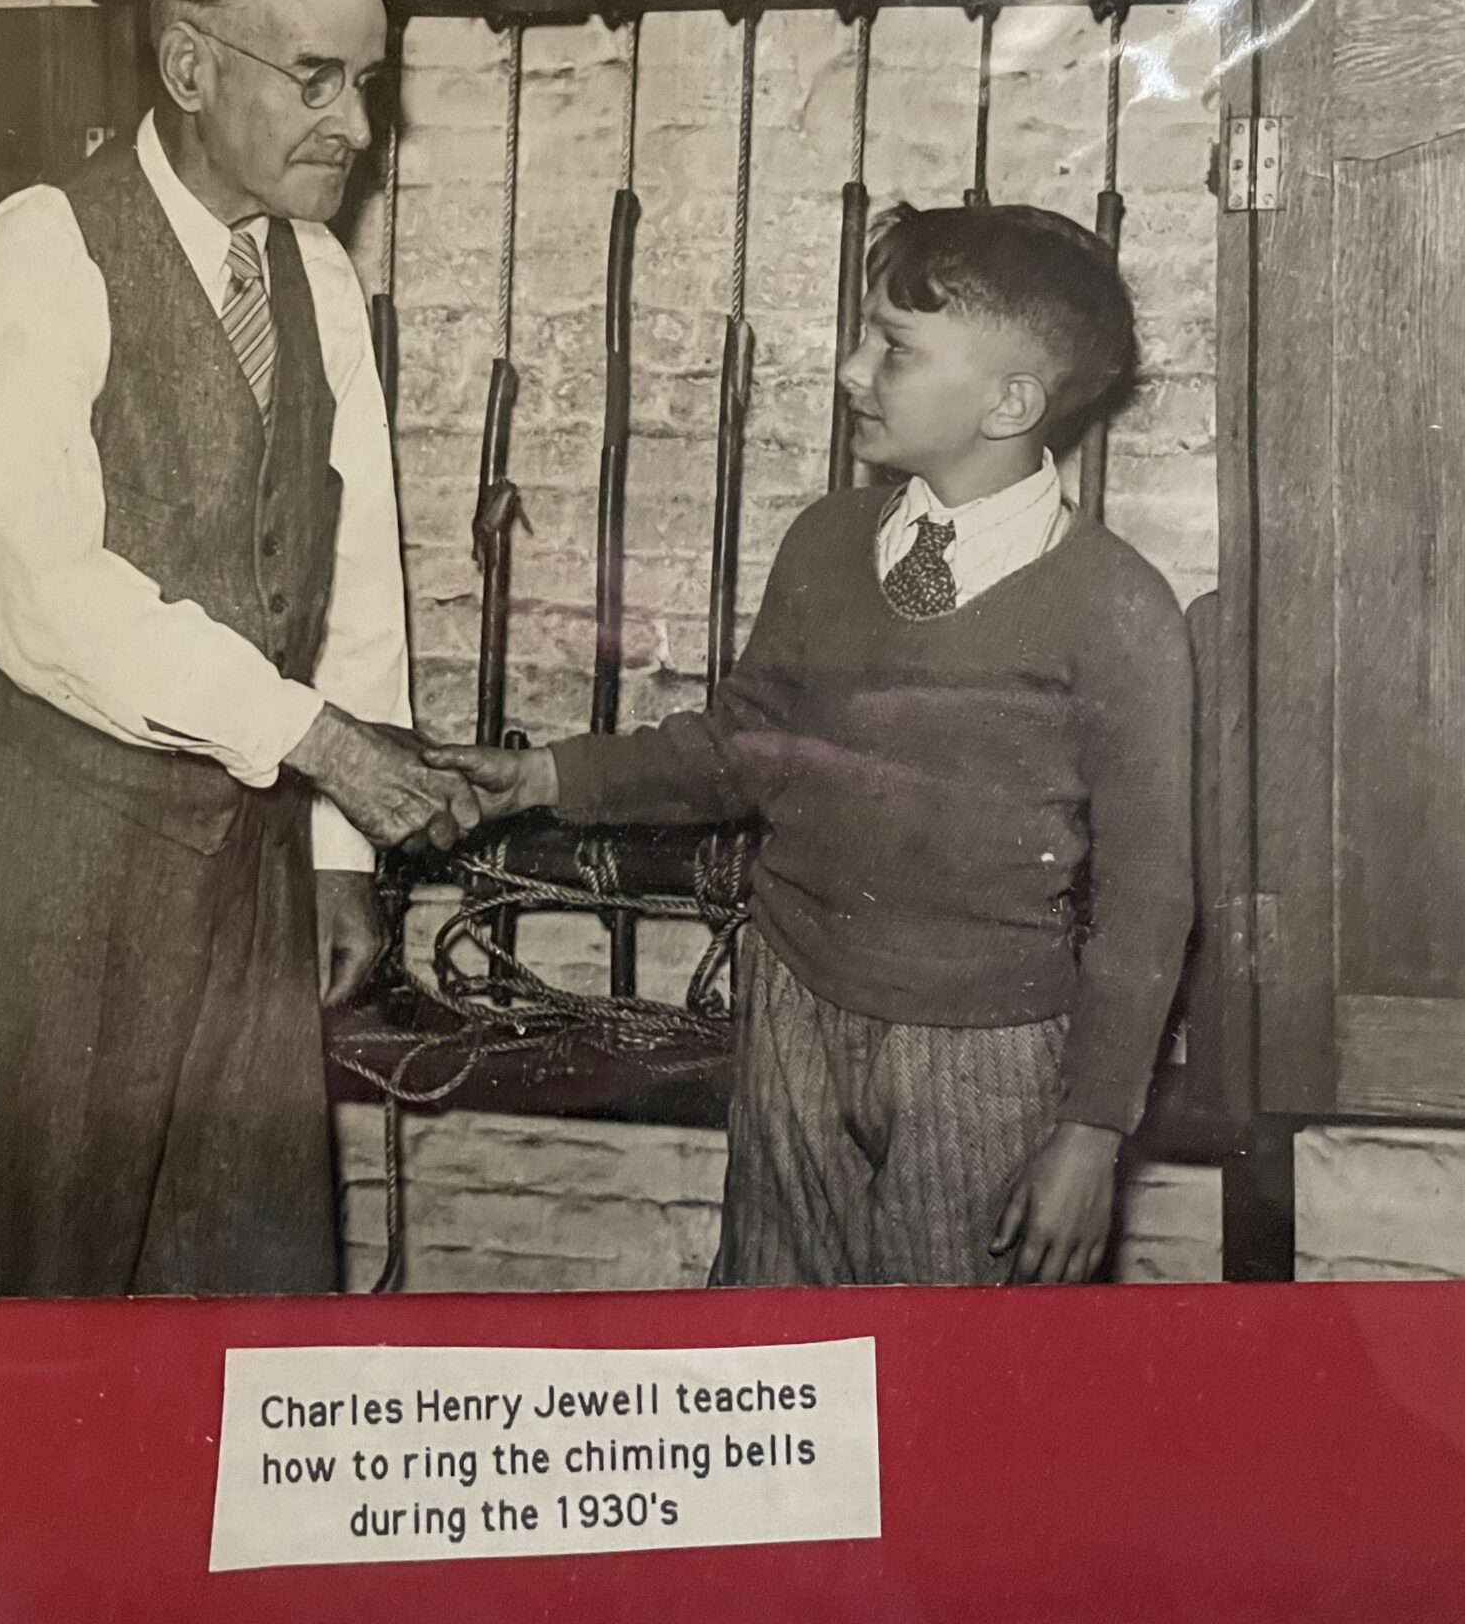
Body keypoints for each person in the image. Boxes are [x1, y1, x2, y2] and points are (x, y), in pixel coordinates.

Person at [431, 202, 1195, 1288]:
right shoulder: (825, 543)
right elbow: (743, 746)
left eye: (893, 347)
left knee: (954, 1387)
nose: (848, 369)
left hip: (985, 1051)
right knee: (778, 1342)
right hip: (791, 1006)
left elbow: (1150, 893)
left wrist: (1090, 1135)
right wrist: (543, 775)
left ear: (1009, 401)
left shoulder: (1118, 606)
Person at [0, 0, 476, 1300]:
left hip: (248, 866)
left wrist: (339, 853)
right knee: (39, 1278)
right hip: (55, 861)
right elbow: (42, 595)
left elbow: (347, 579)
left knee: (245, 1268)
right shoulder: (36, 256)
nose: (354, 124)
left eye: (371, 83)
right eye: (317, 77)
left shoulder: (315, 272)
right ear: (189, 69)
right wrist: (326, 746)